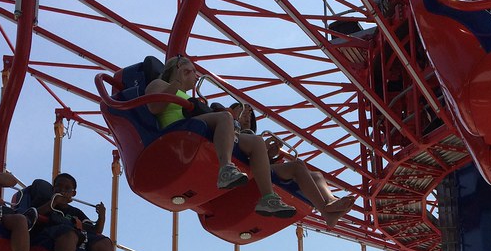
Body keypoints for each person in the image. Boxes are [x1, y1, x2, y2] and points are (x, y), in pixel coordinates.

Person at [145, 56, 291, 218]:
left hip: (197, 132)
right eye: (192, 71)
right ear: (179, 68)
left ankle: (267, 197)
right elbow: (154, 106)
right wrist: (178, 82)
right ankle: (226, 169)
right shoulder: (159, 84)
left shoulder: (192, 97)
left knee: (256, 142)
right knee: (224, 117)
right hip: (177, 134)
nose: (196, 76)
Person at [223, 103, 356, 228]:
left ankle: (330, 200)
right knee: (297, 166)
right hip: (244, 168)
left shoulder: (254, 137)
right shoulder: (231, 129)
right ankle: (325, 211)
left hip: (259, 168)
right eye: (243, 112)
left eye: (250, 114)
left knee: (316, 175)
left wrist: (270, 154)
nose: (247, 116)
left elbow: (258, 159)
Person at [30, 174, 129, 251]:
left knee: (104, 242)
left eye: (67, 189)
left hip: (77, 240)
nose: (62, 191)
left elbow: (95, 230)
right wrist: (52, 203)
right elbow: (32, 214)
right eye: (58, 187)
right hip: (52, 235)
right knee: (70, 233)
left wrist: (102, 217)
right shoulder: (46, 203)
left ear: (73, 193)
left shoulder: (75, 212)